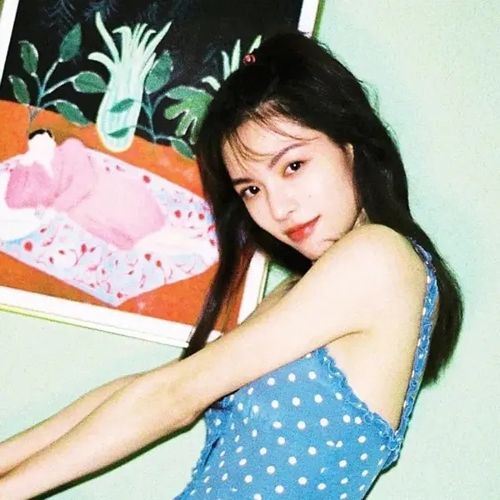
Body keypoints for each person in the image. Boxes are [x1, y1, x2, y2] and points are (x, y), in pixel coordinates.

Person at [0, 32, 462, 499]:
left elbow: (177, 395)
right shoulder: (300, 291)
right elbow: (157, 386)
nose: (278, 207)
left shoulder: (379, 258)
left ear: (350, 145)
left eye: (293, 166)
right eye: (252, 190)